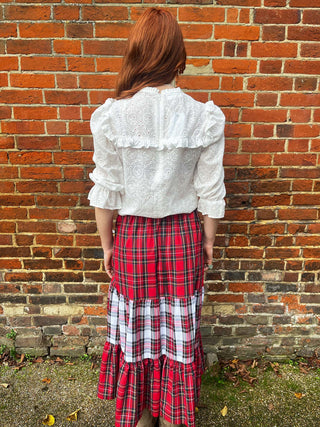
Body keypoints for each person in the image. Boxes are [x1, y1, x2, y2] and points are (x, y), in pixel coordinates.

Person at [87, 7, 226, 427]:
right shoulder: (203, 116)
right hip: (183, 235)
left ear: (137, 54)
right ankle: (173, 415)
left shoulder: (112, 116)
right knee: (177, 332)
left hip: (133, 238)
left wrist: (107, 246)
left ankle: (142, 414)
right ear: (177, 56)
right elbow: (210, 190)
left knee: (136, 333)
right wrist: (208, 241)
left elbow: (107, 190)